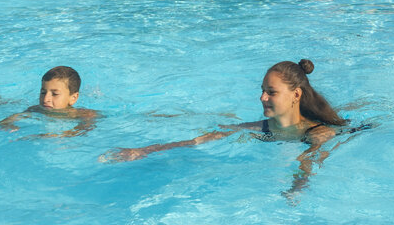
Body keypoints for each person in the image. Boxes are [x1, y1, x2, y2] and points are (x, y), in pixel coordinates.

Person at [104, 59, 348, 194]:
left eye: (271, 92)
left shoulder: (318, 132)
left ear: (296, 94)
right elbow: (200, 140)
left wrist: (296, 188)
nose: (262, 98)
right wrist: (146, 150)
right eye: (262, 91)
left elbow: (310, 160)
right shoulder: (259, 128)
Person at [0, 65, 100, 138]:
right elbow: (7, 120)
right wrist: (9, 125)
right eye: (43, 92)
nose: (46, 99)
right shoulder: (37, 109)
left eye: (55, 94)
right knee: (4, 102)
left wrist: (63, 134)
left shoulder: (82, 114)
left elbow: (86, 128)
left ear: (73, 98)